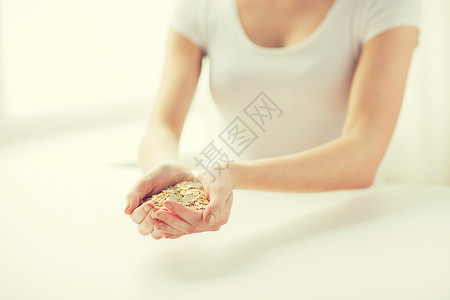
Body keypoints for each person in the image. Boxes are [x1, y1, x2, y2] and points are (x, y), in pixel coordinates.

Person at [124, 0, 420, 240]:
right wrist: (164, 168)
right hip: (241, 222)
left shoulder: (384, 4)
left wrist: (236, 175)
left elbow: (364, 152)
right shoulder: (201, 6)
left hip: (349, 221)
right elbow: (160, 127)